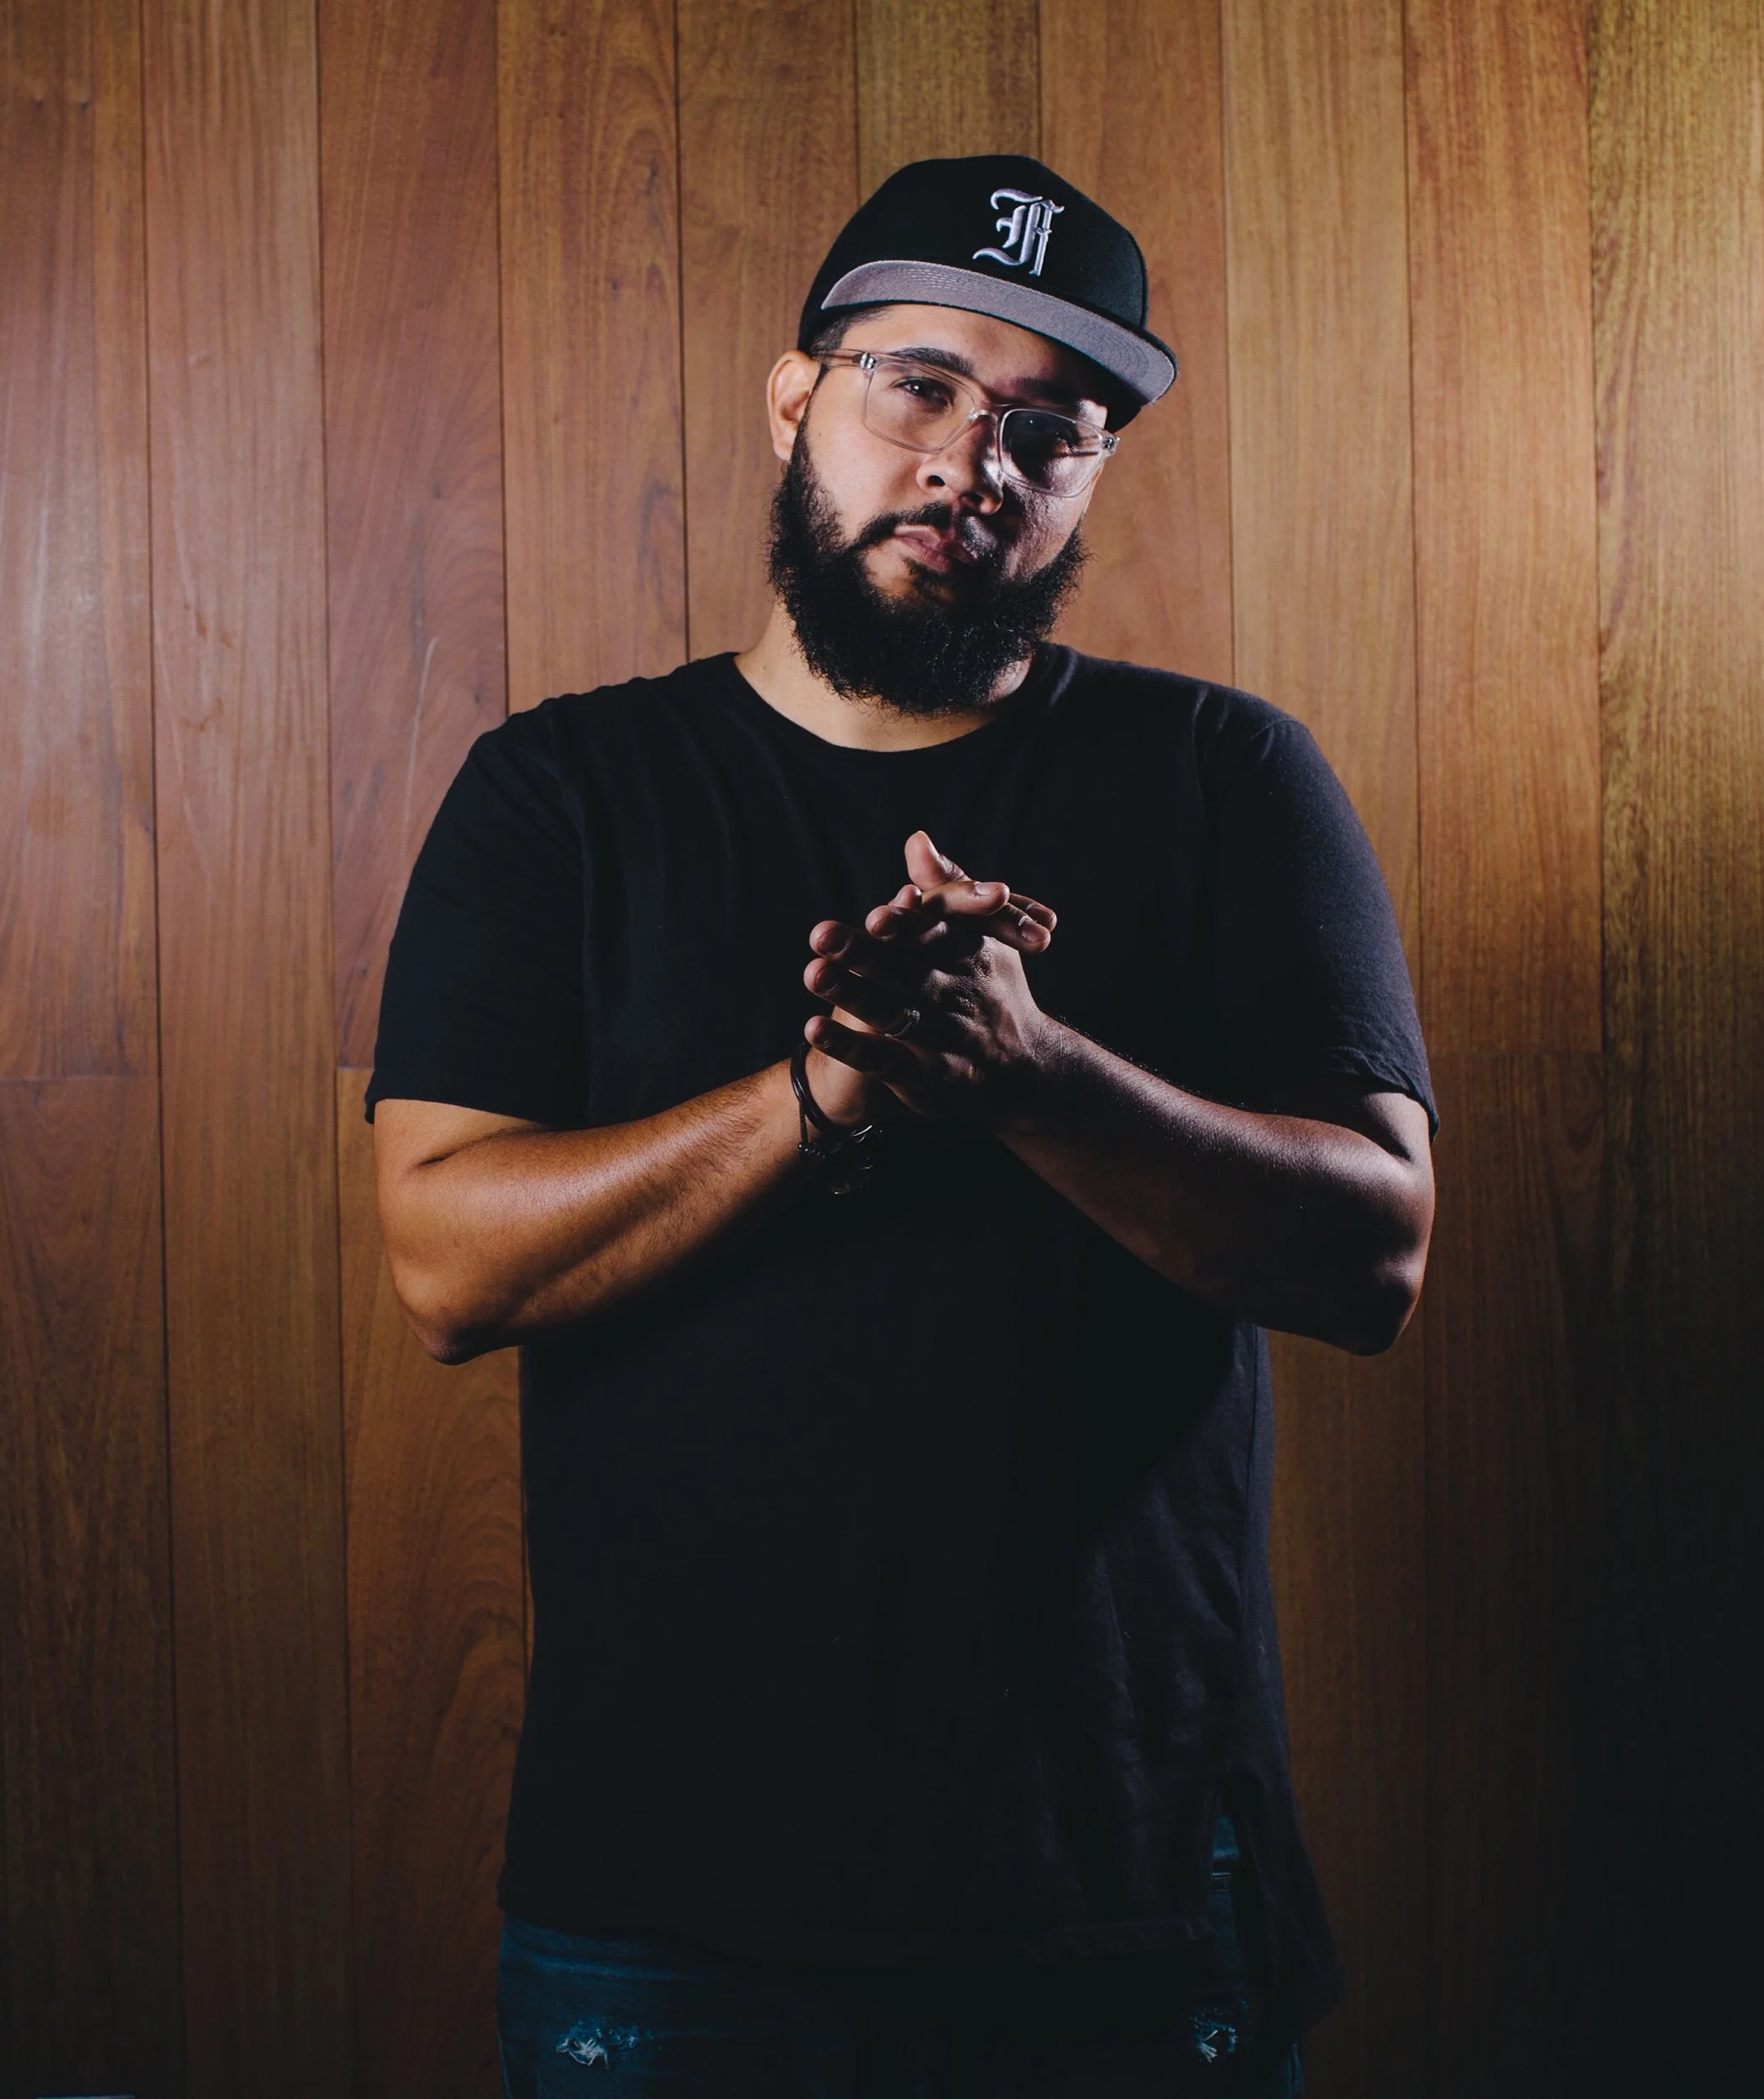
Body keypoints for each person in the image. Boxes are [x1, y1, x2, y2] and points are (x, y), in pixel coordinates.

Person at [368, 154, 1436, 2097]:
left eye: (1050, 426)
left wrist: (1030, 1073)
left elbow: (1370, 1252)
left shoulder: (1222, 778)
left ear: (1089, 474)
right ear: (797, 400)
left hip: (1120, 1891)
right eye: (918, 385)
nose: (974, 459)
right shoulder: (562, 794)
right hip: (670, 1900)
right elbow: (444, 1259)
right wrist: (822, 1095)